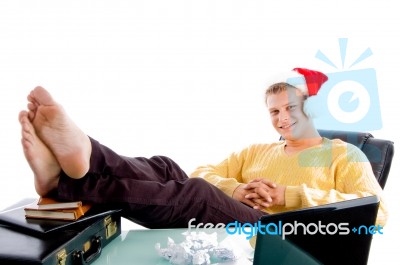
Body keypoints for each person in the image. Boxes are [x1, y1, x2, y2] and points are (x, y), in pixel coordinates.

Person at [18, 67, 387, 229]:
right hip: (241, 214)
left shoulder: (343, 154)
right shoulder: (258, 152)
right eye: (273, 111)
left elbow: (376, 214)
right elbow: (203, 173)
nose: (281, 118)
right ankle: (87, 155)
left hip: (285, 234)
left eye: (290, 108)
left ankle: (69, 182)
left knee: (195, 195)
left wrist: (287, 196)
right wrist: (237, 189)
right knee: (166, 167)